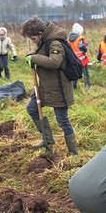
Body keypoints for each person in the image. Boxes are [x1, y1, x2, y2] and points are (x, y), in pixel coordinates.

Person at [21, 16, 79, 156]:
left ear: (40, 34)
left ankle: (74, 153)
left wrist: (34, 58)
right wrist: (32, 55)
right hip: (45, 87)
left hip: (58, 88)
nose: (33, 41)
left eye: (33, 38)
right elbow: (40, 54)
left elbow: (54, 62)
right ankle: (47, 139)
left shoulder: (55, 43)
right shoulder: (44, 42)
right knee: (32, 108)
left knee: (62, 120)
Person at [67, 23, 90, 89]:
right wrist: (85, 48)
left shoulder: (70, 39)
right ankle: (87, 87)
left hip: (74, 59)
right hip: (82, 59)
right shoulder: (80, 38)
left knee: (75, 74)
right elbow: (81, 47)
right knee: (86, 74)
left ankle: (74, 87)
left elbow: (73, 47)